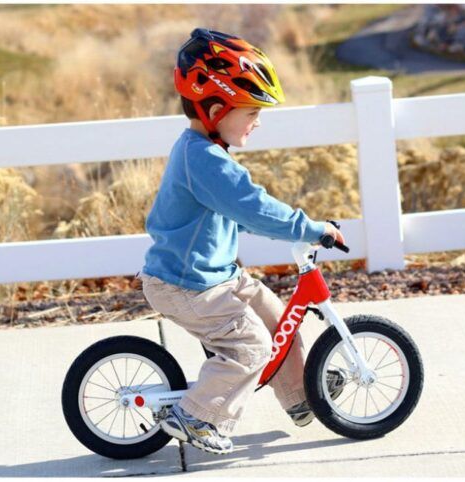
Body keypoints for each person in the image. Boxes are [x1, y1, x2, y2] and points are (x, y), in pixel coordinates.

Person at [138, 28, 346, 455]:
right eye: (251, 110)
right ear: (216, 108)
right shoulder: (205, 160)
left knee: (278, 323)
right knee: (250, 345)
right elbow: (253, 207)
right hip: (186, 286)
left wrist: (286, 227)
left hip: (215, 277)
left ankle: (302, 396)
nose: (257, 120)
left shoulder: (206, 153)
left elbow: (239, 214)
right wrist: (310, 228)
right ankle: (197, 415)